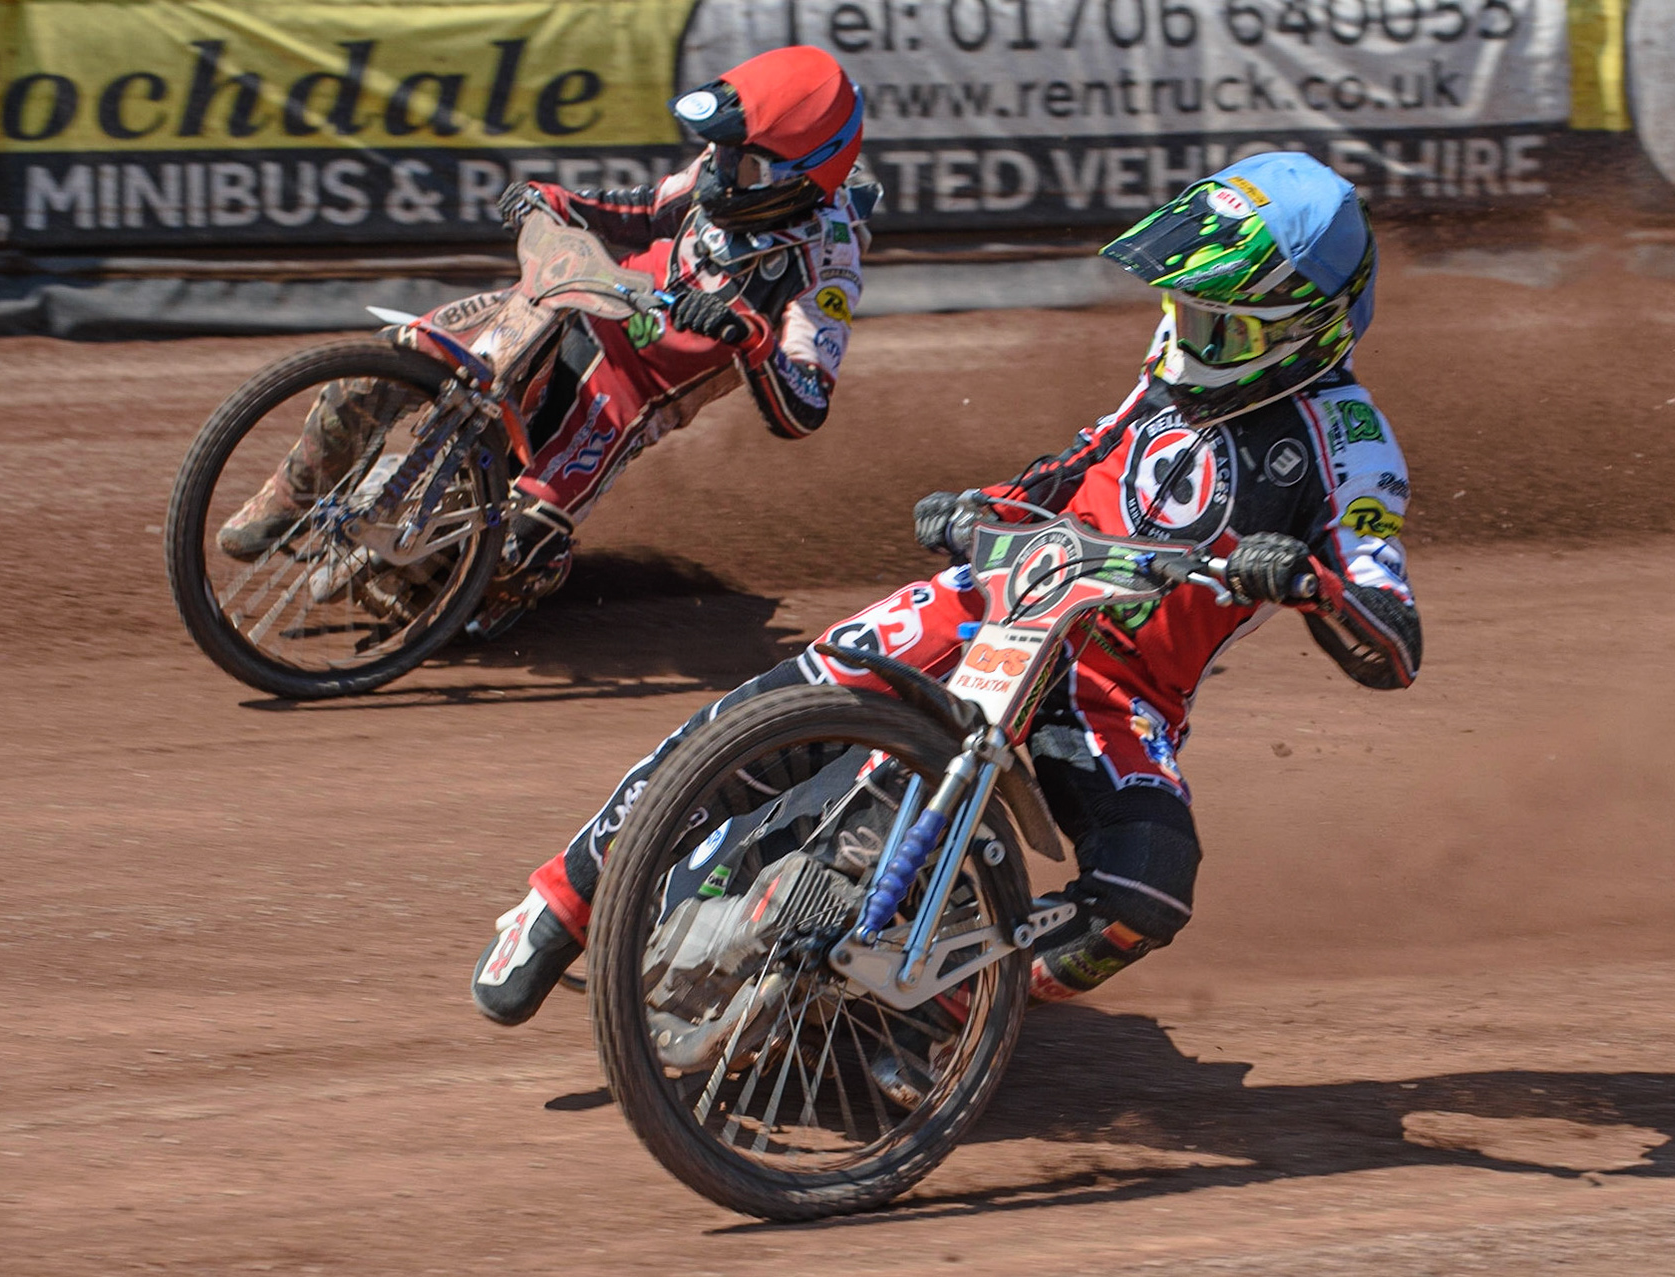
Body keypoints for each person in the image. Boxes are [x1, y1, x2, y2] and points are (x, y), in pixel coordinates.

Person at [471, 151, 1421, 1027]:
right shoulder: (1179, 359)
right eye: (1184, 303)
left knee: (1148, 892)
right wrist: (988, 502)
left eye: (1218, 316)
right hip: (1008, 597)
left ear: (1300, 329)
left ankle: (944, 1011)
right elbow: (1082, 461)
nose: (1186, 328)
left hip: (1118, 693)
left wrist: (1313, 584)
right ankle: (562, 899)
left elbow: (1393, 634)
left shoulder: (1351, 442)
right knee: (790, 698)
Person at [215, 46, 874, 637]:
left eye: (745, 163)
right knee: (389, 365)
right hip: (579, 297)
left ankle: (507, 578)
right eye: (723, 151)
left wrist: (749, 337)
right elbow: (645, 207)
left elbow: (805, 405)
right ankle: (291, 493)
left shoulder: (828, 266)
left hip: (629, 395)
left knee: (510, 556)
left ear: (801, 178)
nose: (720, 173)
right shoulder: (729, 162)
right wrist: (552, 200)